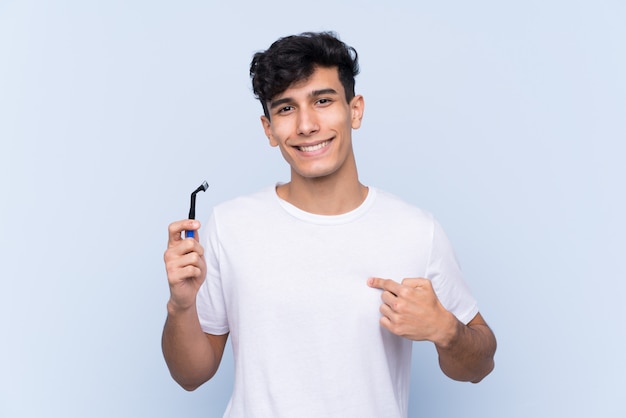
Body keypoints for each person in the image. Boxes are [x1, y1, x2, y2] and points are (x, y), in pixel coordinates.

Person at [162, 31, 496, 417]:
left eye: (322, 101)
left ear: (355, 110)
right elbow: (190, 375)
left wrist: (446, 331)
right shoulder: (230, 225)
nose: (306, 125)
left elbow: (479, 365)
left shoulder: (415, 230)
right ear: (269, 129)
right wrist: (180, 306)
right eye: (286, 109)